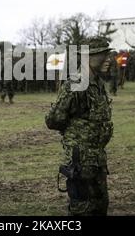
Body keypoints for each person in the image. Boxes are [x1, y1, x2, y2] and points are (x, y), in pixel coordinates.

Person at [45, 36, 113, 216]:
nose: (109, 59)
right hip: (80, 162)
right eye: (103, 55)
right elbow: (53, 120)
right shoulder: (76, 84)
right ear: (87, 57)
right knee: (82, 210)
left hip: (97, 159)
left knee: (100, 206)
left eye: (108, 54)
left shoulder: (97, 83)